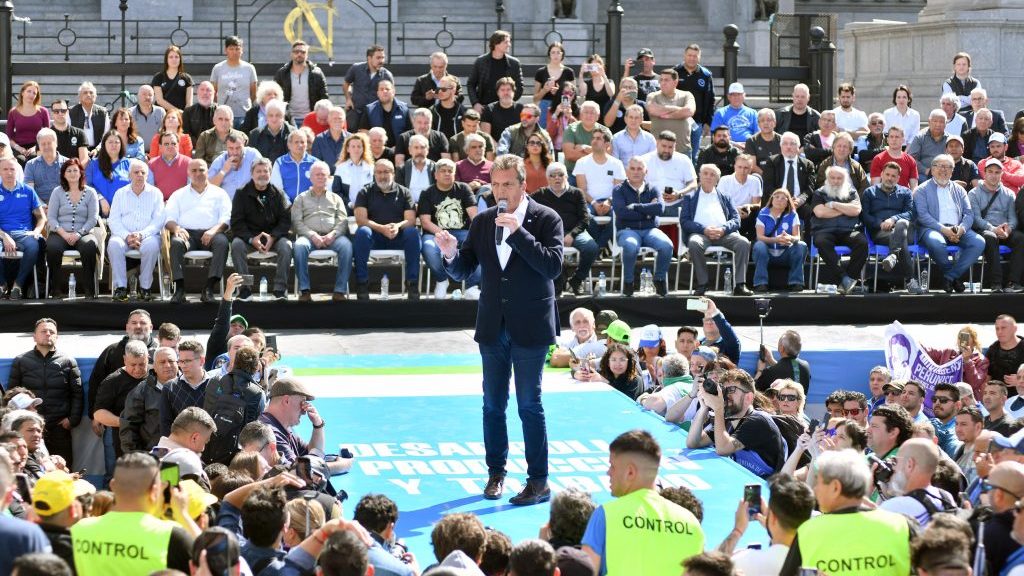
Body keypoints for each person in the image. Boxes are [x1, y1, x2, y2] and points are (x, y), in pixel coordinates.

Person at [436, 154, 563, 505]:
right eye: (495, 184)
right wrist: (449, 255)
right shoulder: (483, 221)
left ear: (524, 185)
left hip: (531, 326)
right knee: (492, 405)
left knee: (528, 404)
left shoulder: (546, 218)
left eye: (507, 184)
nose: (500, 191)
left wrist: (517, 232)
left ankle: (539, 481)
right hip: (493, 325)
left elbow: (552, 266)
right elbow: (466, 269)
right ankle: (496, 473)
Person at [581, 429, 704, 575]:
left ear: (630, 472)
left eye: (612, 466)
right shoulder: (691, 523)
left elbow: (585, 571)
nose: (608, 472)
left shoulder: (605, 515)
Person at [780, 449, 914, 576]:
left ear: (835, 487)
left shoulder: (808, 532)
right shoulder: (902, 525)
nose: (815, 489)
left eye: (819, 482)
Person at [71, 452, 194, 574]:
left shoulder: (77, 530)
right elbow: (208, 562)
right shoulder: (172, 535)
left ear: (112, 485)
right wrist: (183, 514)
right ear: (154, 490)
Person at [8, 318, 82, 464]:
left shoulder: (68, 361)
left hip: (59, 427)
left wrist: (72, 420)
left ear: (57, 336)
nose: (47, 334)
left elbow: (77, 393)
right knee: (31, 467)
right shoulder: (21, 361)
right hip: (29, 427)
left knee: (62, 468)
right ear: (34, 336)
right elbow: (12, 393)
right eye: (43, 331)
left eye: (51, 332)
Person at [687, 369, 787, 477]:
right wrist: (704, 407)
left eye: (731, 390)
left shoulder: (758, 421)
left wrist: (718, 409)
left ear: (748, 397)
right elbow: (693, 442)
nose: (725, 395)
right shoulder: (729, 422)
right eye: (723, 390)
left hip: (763, 490)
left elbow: (723, 449)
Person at [914, 154, 986, 293]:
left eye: (948, 167)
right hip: (933, 229)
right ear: (933, 169)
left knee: (979, 242)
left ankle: (950, 277)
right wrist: (943, 230)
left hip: (957, 228)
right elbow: (923, 216)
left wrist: (961, 229)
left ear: (952, 171)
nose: (944, 170)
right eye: (941, 166)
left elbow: (969, 213)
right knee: (936, 242)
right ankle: (954, 277)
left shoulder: (959, 189)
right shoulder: (922, 190)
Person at [680, 163, 754, 296]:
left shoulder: (726, 197)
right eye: (705, 173)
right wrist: (704, 230)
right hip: (700, 234)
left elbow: (736, 220)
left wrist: (723, 229)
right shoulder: (690, 198)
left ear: (717, 179)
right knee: (694, 243)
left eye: (712, 174)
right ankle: (703, 284)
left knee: (743, 242)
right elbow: (685, 221)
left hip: (724, 234)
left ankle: (740, 285)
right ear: (699, 176)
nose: (708, 177)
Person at [720, 474, 815, 576]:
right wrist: (772, 526)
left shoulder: (744, 562)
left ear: (773, 518)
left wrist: (738, 530)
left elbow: (710, 567)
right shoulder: (814, 567)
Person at [352, 159, 420, 300]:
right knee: (362, 232)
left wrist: (397, 226)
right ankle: (362, 283)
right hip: (374, 237)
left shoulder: (404, 192)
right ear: (374, 174)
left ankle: (412, 283)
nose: (382, 176)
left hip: (398, 236)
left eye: (386, 172)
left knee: (412, 232)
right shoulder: (365, 192)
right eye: (379, 172)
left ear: (393, 174)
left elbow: (411, 219)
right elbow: (360, 220)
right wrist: (381, 228)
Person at [164, 159, 231, 303]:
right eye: (194, 170)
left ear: (207, 171)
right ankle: (180, 289)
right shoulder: (178, 194)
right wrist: (176, 228)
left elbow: (226, 219)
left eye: (201, 170)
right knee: (176, 243)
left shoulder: (220, 193)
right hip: (187, 234)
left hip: (213, 233)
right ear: (188, 173)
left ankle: (208, 288)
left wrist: (213, 231)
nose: (198, 173)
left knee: (222, 243)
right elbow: (168, 218)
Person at [230, 157, 293, 300]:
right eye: (258, 171)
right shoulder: (241, 193)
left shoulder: (278, 193)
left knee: (286, 245)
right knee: (236, 245)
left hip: (274, 238)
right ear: (252, 174)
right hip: (249, 239)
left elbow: (285, 220)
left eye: (266, 171)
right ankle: (245, 289)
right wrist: (252, 239)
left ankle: (279, 289)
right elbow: (237, 222)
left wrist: (274, 237)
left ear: (270, 174)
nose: (262, 174)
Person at [290, 161, 352, 302]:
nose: (320, 177)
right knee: (299, 246)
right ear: (310, 178)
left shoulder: (336, 198)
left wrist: (333, 234)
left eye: (323, 175)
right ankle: (304, 291)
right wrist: (312, 235)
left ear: (328, 178)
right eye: (317, 174)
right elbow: (297, 223)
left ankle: (339, 291)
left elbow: (343, 221)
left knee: (347, 246)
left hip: (333, 237)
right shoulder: (301, 198)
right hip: (308, 237)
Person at [418, 158, 479, 300]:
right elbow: (425, 222)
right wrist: (442, 233)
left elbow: (474, 216)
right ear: (435, 175)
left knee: (479, 244)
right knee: (428, 247)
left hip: (462, 233)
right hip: (434, 232)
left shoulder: (463, 189)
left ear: (454, 174)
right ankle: (441, 280)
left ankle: (471, 286)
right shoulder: (427, 193)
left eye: (450, 171)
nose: (447, 174)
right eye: (443, 171)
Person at [532, 162, 596, 296]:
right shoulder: (540, 194)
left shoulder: (577, 193)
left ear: (566, 176)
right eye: (553, 175)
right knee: (552, 253)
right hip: (551, 233)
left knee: (591, 248)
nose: (557, 178)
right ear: (547, 178)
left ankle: (577, 280)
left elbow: (585, 218)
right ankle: (557, 284)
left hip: (574, 232)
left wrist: (572, 235)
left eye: (560, 175)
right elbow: (525, 206)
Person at [612, 156, 671, 296]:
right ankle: (628, 282)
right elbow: (621, 213)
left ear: (646, 171)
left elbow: (660, 209)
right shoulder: (618, 190)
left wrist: (635, 207)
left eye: (640, 168)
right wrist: (648, 212)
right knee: (630, 246)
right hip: (627, 230)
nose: (636, 172)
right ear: (627, 171)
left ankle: (660, 279)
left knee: (667, 245)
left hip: (650, 230)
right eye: (632, 168)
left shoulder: (653, 188)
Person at [106, 160, 163, 301]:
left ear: (147, 175)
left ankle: (145, 287)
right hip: (123, 235)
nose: (139, 175)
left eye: (143, 172)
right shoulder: (120, 193)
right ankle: (120, 288)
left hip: (148, 235)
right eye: (136, 172)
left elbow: (158, 221)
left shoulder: (156, 193)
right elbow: (113, 220)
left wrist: (141, 235)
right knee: (114, 245)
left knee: (151, 245)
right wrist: (127, 236)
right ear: (129, 175)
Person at [862, 161, 923, 293]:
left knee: (901, 224)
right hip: (881, 232)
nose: (890, 178)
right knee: (902, 241)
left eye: (893, 176)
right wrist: (880, 223)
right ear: (882, 174)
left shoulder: (906, 192)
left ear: (898, 178)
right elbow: (865, 216)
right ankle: (910, 281)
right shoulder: (869, 193)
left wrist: (894, 219)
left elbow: (911, 213)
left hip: (906, 230)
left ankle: (893, 255)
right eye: (887, 174)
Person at [44, 158, 99, 298]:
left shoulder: (91, 192)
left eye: (75, 170)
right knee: (52, 248)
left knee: (89, 246)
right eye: (69, 170)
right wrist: (64, 234)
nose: (73, 173)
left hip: (84, 232)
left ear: (81, 173)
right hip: (60, 232)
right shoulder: (57, 192)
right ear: (63, 174)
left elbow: (93, 219)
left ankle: (89, 290)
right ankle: (55, 289)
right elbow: (51, 218)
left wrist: (79, 234)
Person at [969, 159, 1024, 292]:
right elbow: (975, 219)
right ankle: (996, 283)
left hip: (1005, 230)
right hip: (986, 230)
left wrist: (1008, 229)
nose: (994, 175)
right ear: (984, 173)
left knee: (1021, 238)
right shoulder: (973, 193)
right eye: (990, 172)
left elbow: (1013, 217)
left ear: (1002, 174)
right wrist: (993, 229)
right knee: (990, 237)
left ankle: (1013, 282)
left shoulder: (1009, 193)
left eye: (997, 172)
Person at [811, 165, 868, 294]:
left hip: (848, 230)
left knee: (862, 242)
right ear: (827, 178)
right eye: (832, 178)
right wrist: (845, 210)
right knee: (821, 241)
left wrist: (834, 205)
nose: (836, 181)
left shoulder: (851, 192)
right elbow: (820, 213)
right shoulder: (819, 193)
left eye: (839, 178)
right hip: (825, 230)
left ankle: (849, 279)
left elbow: (856, 210)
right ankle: (844, 278)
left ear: (845, 179)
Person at [0, 156, 45, 300]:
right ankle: (2, 285)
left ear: (17, 171)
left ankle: (17, 286)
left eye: (12, 169)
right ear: (0, 172)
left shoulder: (28, 191)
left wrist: (37, 231)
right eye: (5, 169)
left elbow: (41, 217)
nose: (8, 173)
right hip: (2, 233)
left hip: (23, 233)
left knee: (33, 245)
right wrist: (4, 236)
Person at [119, 346, 178, 453]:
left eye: (171, 361)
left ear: (177, 363)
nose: (167, 365)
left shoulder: (187, 385)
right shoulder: (141, 391)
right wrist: (136, 456)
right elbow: (129, 426)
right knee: (169, 470)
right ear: (154, 366)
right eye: (162, 362)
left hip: (186, 454)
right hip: (155, 454)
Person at [573, 127, 623, 250]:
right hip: (589, 202)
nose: (594, 141)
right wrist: (594, 203)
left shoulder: (616, 163)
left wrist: (609, 201)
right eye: (593, 138)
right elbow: (582, 190)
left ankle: (597, 247)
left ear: (607, 144)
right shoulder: (582, 162)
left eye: (598, 138)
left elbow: (618, 190)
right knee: (585, 215)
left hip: (611, 202)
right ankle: (601, 247)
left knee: (620, 214)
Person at [752, 188, 806, 292]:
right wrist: (776, 240)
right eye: (776, 197)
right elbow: (760, 237)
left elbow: (797, 237)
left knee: (801, 245)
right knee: (759, 245)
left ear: (787, 202)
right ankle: (760, 283)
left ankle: (796, 282)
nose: (779, 200)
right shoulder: (763, 213)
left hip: (785, 253)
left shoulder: (793, 215)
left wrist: (790, 238)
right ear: (771, 199)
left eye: (783, 198)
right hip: (767, 253)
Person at [762, 132, 815, 234]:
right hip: (777, 200)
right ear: (781, 146)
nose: (789, 147)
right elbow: (768, 186)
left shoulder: (808, 164)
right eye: (785, 144)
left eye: (792, 144)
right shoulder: (772, 162)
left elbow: (810, 188)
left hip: (798, 202)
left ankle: (807, 246)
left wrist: (800, 199)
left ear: (798, 147)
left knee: (811, 213)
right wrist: (783, 199)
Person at [673, 44, 716, 164]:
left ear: (699, 57)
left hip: (697, 122)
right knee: (676, 153)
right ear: (684, 56)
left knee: (692, 155)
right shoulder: (675, 72)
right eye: (689, 55)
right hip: (678, 121)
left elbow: (711, 99)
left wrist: (708, 122)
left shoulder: (706, 75)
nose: (692, 58)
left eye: (695, 56)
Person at [158, 339, 210, 436]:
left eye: (187, 361)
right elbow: (165, 424)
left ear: (202, 361)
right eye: (180, 361)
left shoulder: (215, 385)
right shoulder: (170, 388)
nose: (183, 366)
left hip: (211, 446)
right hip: (180, 447)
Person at [641, 130, 697, 216]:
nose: (666, 150)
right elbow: (635, 183)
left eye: (670, 147)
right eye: (663, 146)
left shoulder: (683, 159)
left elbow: (693, 184)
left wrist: (679, 194)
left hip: (678, 204)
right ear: (657, 143)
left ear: (675, 147)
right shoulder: (644, 160)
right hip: (651, 205)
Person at [272, 40, 329, 123]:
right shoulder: (282, 73)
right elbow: (274, 95)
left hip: (311, 118)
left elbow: (324, 97)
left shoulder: (316, 73)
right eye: (296, 52)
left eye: (303, 52)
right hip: (288, 119)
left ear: (307, 55)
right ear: (291, 54)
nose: (299, 54)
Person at [467, 30, 524, 113]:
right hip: (484, 108)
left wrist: (508, 101)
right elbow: (471, 84)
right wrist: (475, 103)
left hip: (506, 108)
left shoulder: (514, 63)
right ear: (496, 43)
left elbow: (519, 86)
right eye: (506, 42)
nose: (509, 45)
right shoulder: (481, 61)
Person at [210, 36, 257, 129]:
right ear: (226, 50)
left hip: (244, 115)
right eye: (231, 49)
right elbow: (213, 92)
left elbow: (253, 93)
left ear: (242, 50)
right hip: (223, 117)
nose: (234, 52)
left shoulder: (249, 68)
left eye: (237, 49)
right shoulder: (218, 68)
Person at [343, 44, 393, 131]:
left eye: (383, 57)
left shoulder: (387, 75)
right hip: (356, 112)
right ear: (369, 58)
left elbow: (391, 95)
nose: (381, 60)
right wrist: (348, 99)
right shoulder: (356, 68)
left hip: (375, 115)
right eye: (378, 58)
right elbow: (346, 84)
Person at [646, 68, 696, 155]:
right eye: (661, 80)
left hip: (682, 150)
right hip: (657, 151)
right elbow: (652, 109)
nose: (663, 83)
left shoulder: (686, 95)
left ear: (675, 82)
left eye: (666, 80)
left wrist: (668, 115)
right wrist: (678, 109)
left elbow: (689, 111)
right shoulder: (653, 96)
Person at [83, 131, 130, 214]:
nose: (114, 145)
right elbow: (87, 185)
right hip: (98, 212)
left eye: (117, 142)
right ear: (104, 144)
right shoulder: (93, 164)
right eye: (110, 142)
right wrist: (100, 198)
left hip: (124, 212)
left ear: (121, 145)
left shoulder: (128, 164)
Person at [6, 81, 50, 164]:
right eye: (29, 91)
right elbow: (9, 137)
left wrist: (35, 147)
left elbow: (47, 134)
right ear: (22, 92)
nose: (31, 95)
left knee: (33, 159)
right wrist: (18, 148)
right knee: (20, 160)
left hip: (37, 146)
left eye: (34, 93)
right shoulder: (13, 112)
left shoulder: (43, 111)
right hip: (18, 147)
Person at [357, 80, 410, 149]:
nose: (384, 91)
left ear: (393, 92)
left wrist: (400, 147)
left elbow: (410, 132)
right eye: (381, 89)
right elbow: (363, 132)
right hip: (377, 152)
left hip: (399, 151)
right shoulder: (369, 109)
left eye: (387, 89)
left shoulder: (404, 109)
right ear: (378, 93)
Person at [208, 133, 260, 200]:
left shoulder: (253, 154)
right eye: (231, 148)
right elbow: (210, 189)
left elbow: (264, 174)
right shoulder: (219, 161)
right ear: (226, 147)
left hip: (250, 202)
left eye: (238, 148)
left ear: (243, 144)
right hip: (228, 204)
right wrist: (223, 171)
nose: (235, 152)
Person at [270, 130, 316, 202]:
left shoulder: (315, 163)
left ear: (306, 144)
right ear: (289, 145)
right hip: (285, 207)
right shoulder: (280, 162)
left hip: (309, 207)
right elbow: (277, 188)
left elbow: (318, 187)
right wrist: (288, 205)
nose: (300, 145)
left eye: (302, 142)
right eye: (296, 142)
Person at [332, 132, 374, 209]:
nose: (356, 149)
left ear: (363, 149)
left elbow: (374, 190)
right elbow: (336, 191)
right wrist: (349, 204)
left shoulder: (371, 168)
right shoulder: (340, 168)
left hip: (367, 208)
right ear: (348, 149)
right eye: (353, 146)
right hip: (346, 208)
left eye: (359, 146)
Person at [24, 129, 66, 204]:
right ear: (39, 146)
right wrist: (42, 206)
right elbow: (30, 191)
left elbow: (72, 190)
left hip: (63, 206)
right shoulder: (31, 165)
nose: (46, 146)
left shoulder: (67, 164)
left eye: (49, 143)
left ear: (56, 143)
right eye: (43, 144)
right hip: (39, 208)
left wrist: (55, 207)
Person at [869, 125, 919, 189]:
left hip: (904, 197)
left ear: (903, 140)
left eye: (897, 137)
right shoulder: (878, 159)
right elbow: (875, 187)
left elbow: (914, 187)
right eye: (891, 137)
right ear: (887, 140)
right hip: (883, 197)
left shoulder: (911, 160)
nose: (894, 139)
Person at [711, 82, 758, 147]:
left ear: (744, 95)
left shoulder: (753, 113)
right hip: (727, 147)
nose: (736, 97)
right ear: (728, 97)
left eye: (739, 94)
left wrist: (748, 144)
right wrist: (735, 144)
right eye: (733, 95)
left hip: (749, 147)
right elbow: (716, 136)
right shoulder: (720, 113)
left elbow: (758, 134)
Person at [248, 99, 294, 164]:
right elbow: (251, 160)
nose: (274, 119)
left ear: (283, 117)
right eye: (271, 115)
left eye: (278, 115)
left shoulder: (293, 134)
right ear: (266, 117)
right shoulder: (255, 134)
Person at [147, 132, 190, 201]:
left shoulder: (189, 163)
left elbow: (191, 189)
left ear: (178, 145)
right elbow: (150, 190)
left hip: (183, 204)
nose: (170, 146)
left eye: (173, 143)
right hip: (159, 204)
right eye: (166, 144)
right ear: (160, 147)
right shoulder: (152, 164)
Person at [481, 77, 524, 143]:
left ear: (513, 92)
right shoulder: (489, 109)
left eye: (508, 90)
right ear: (498, 93)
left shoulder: (522, 109)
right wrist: (499, 148)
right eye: (502, 90)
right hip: (495, 148)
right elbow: (486, 135)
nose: (505, 93)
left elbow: (526, 131)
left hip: (517, 148)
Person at [68, 82, 109, 153]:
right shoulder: (71, 112)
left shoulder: (103, 112)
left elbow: (107, 134)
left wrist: (97, 149)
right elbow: (68, 134)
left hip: (99, 152)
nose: (88, 95)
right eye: (85, 93)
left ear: (95, 96)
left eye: (91, 92)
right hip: (77, 151)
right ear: (79, 97)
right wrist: (82, 150)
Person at [152, 44, 193, 114]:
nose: (174, 59)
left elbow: (189, 103)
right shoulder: (158, 77)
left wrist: (183, 115)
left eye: (176, 57)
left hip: (181, 117)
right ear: (166, 59)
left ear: (180, 59)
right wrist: (177, 111)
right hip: (162, 116)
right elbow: (159, 100)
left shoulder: (187, 78)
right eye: (171, 57)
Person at [909, 109, 950, 179]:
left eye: (941, 122)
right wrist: (926, 170)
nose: (938, 124)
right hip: (924, 174)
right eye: (935, 121)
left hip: (944, 174)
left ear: (946, 124)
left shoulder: (950, 140)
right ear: (929, 122)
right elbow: (912, 159)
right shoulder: (920, 137)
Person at [395, 134, 436, 203]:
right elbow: (400, 194)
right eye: (416, 148)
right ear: (410, 150)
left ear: (428, 150)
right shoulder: (402, 169)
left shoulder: (436, 168)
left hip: (431, 207)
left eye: (422, 147)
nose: (419, 151)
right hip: (410, 208)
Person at [49, 100, 88, 166]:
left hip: (74, 173)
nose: (60, 113)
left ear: (67, 112)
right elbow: (42, 159)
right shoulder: (45, 135)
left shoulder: (80, 133)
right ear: (52, 113)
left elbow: (84, 160)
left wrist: (73, 172)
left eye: (63, 111)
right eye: (56, 111)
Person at [745, 108, 782, 175]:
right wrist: (767, 176)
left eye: (769, 120)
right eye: (762, 120)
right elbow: (752, 166)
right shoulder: (751, 141)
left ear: (775, 123)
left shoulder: (783, 140)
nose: (765, 123)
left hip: (779, 176)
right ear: (758, 124)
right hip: (760, 176)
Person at [429, 74, 467, 140]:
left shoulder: (464, 112)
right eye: (438, 89)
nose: (440, 92)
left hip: (457, 149)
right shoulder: (432, 111)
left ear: (453, 90)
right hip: (438, 149)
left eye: (443, 89)